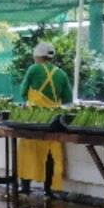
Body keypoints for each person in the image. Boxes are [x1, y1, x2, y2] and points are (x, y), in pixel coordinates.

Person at [17, 41, 73, 196]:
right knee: (50, 155)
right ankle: (48, 190)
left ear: (37, 56)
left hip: (33, 119)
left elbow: (23, 91)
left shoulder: (34, 69)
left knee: (27, 153)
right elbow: (68, 100)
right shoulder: (61, 74)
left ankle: (25, 187)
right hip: (52, 120)